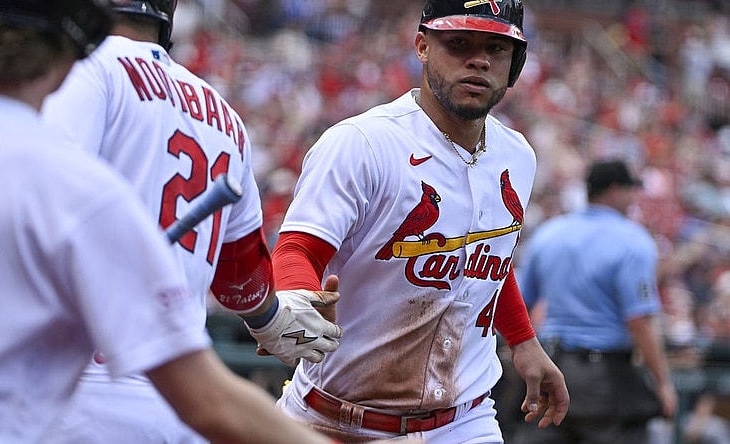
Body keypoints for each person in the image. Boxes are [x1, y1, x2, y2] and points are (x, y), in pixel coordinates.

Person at [0, 1, 347, 443]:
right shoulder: (219, 118)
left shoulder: (57, 108)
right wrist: (271, 316)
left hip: (54, 394)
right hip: (143, 389)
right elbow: (238, 279)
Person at [270, 0, 570, 442]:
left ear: (515, 64)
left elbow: (487, 258)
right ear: (422, 46)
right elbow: (297, 248)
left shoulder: (517, 155)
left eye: (497, 48)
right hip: (332, 420)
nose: (479, 59)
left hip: (463, 421)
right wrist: (293, 294)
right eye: (459, 43)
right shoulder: (363, 143)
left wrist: (523, 341)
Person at [514, 158, 679, 444]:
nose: (633, 199)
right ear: (615, 191)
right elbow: (639, 320)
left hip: (549, 370)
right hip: (606, 380)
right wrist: (663, 382)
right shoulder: (633, 240)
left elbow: (520, 302)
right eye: (630, 190)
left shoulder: (549, 233)